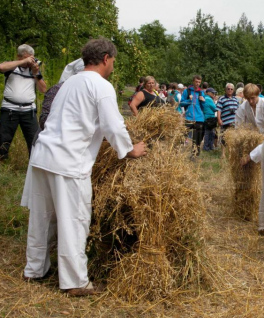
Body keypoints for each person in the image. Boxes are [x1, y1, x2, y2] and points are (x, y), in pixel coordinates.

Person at [21, 38, 147, 296]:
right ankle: (75, 282)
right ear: (105, 59)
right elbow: (113, 125)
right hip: (69, 160)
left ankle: (34, 269)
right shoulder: (100, 85)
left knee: (41, 218)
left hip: (43, 154)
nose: (113, 65)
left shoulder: (69, 83)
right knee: (74, 220)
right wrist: (131, 150)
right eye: (113, 60)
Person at [0, 44, 47, 160]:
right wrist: (21, 62)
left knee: (34, 140)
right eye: (26, 58)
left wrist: (36, 73)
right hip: (9, 109)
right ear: (19, 56)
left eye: (31, 58)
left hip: (28, 111)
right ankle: (2, 164)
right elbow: (1, 67)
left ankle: (34, 164)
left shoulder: (34, 71)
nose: (29, 62)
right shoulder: (12, 67)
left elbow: (43, 89)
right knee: (3, 139)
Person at [179, 75, 206, 157]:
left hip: (199, 118)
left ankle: (195, 155)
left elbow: (204, 107)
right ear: (193, 81)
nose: (197, 83)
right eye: (196, 82)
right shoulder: (187, 91)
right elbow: (181, 103)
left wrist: (203, 101)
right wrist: (189, 100)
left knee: (197, 138)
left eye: (199, 82)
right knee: (182, 135)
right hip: (189, 117)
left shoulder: (201, 92)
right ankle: (179, 152)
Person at [216, 83, 239, 157]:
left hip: (234, 122)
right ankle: (222, 153)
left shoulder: (235, 99)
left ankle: (230, 153)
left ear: (233, 90)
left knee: (233, 138)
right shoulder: (222, 98)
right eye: (228, 89)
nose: (230, 90)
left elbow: (239, 110)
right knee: (224, 138)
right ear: (225, 89)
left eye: (231, 89)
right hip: (225, 121)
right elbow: (219, 110)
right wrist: (219, 119)